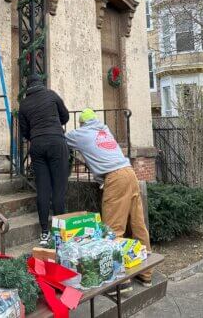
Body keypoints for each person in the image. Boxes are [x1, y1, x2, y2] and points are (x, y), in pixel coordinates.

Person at [65, 108, 152, 287]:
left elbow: (60, 139)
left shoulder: (80, 134)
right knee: (138, 225)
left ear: (82, 123)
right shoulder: (104, 130)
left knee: (112, 230)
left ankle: (120, 280)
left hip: (115, 178)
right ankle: (146, 272)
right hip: (130, 173)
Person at [18, 75, 70, 246]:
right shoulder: (51, 95)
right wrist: (55, 124)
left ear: (28, 87)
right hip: (56, 142)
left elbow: (24, 130)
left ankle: (45, 233)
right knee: (59, 188)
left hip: (37, 145)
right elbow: (65, 116)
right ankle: (60, 233)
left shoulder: (24, 104)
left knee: (43, 188)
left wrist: (36, 134)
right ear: (41, 83)